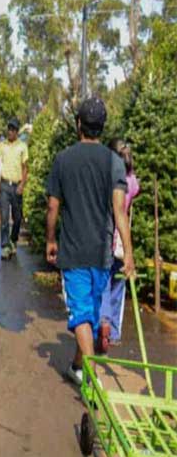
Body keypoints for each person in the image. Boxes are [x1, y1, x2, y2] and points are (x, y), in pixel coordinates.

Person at [46, 98, 135, 387]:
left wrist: (50, 240)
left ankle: (91, 379)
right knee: (90, 315)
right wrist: (129, 253)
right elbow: (120, 211)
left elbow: (52, 208)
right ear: (102, 127)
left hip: (74, 251)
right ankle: (77, 366)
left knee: (84, 314)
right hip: (102, 254)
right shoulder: (114, 163)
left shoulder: (63, 159)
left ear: (78, 125)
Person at [97, 139, 140, 352]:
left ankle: (103, 320)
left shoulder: (111, 179)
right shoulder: (132, 182)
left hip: (107, 238)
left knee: (103, 281)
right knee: (118, 285)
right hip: (123, 243)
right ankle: (113, 332)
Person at [0, 118, 28, 260]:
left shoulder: (22, 146)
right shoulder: (2, 145)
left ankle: (13, 240)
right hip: (5, 185)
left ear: (17, 132)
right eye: (9, 129)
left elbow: (25, 168)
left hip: (17, 186)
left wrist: (22, 185)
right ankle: (5, 246)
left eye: (13, 130)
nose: (10, 132)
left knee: (17, 218)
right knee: (4, 218)